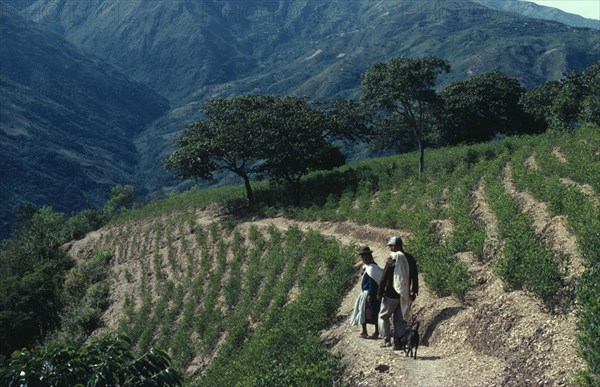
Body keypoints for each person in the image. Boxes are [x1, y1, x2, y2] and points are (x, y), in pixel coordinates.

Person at [377, 236, 418, 349]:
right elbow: (414, 276)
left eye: (390, 246)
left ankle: (386, 340)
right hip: (404, 295)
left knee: (384, 316)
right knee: (400, 319)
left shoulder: (392, 259)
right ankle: (398, 342)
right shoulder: (410, 258)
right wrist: (414, 291)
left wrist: (379, 293)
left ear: (394, 246)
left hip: (390, 294)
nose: (389, 248)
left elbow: (384, 278)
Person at [349, 245, 382, 339]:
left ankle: (371, 331)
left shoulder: (372, 268)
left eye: (365, 256)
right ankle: (368, 331)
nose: (363, 258)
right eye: (362, 257)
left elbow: (372, 283)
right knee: (368, 311)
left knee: (367, 311)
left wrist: (370, 295)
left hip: (369, 293)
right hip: (369, 293)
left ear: (369, 256)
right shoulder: (368, 267)